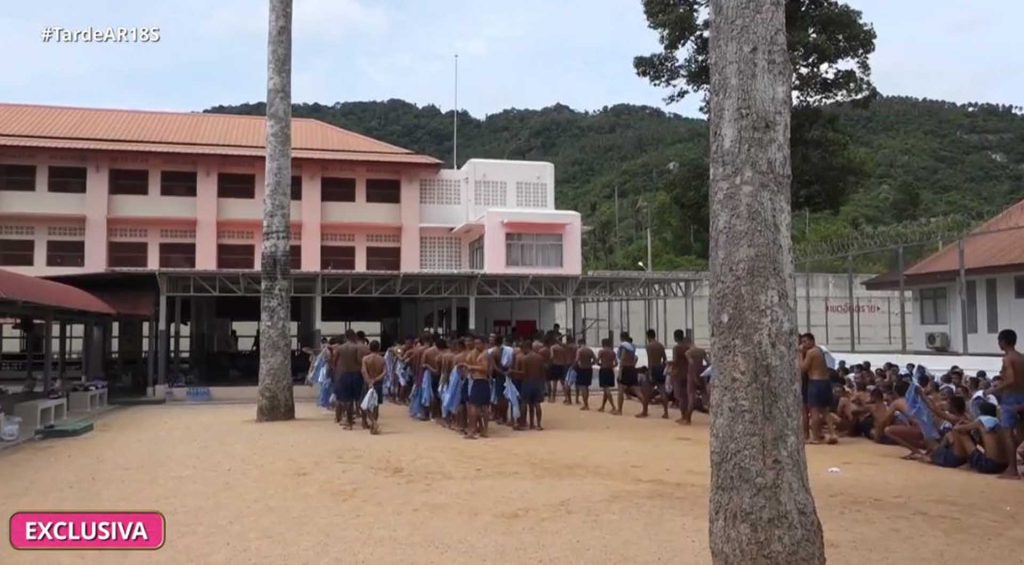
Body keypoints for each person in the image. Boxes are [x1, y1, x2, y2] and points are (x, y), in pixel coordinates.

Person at [991, 329, 1024, 479]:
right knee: (1020, 433)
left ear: (1003, 341)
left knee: (1008, 434)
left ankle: (1012, 469)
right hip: (1022, 396)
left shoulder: (1008, 359)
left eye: (999, 341)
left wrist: (993, 389)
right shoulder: (1021, 357)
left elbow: (1011, 380)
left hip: (1010, 397)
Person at [945, 402, 1010, 475]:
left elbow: (957, 429)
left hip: (990, 465)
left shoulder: (982, 420)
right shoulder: (998, 422)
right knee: (981, 437)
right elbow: (977, 426)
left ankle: (965, 460)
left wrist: (959, 423)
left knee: (962, 434)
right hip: (1004, 465)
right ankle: (970, 462)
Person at [798, 333, 838, 444]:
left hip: (815, 383)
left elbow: (803, 368)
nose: (804, 344)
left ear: (812, 341)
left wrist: (800, 354)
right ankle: (833, 433)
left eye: (805, 342)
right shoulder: (819, 350)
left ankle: (815, 437)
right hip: (825, 382)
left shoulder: (811, 352)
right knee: (825, 410)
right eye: (802, 342)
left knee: (814, 410)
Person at [332, 329, 365, 430]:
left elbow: (334, 362)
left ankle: (349, 423)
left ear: (345, 337)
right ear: (354, 336)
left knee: (347, 401)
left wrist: (337, 371)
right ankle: (364, 422)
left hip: (344, 375)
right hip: (356, 374)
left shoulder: (340, 348)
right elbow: (360, 361)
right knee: (359, 399)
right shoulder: (356, 348)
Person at [461, 335, 491, 439]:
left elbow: (485, 368)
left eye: (478, 343)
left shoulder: (484, 355)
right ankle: (483, 430)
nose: (476, 345)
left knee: (475, 406)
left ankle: (473, 431)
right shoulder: (477, 354)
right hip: (479, 381)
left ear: (483, 343)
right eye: (475, 343)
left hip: (480, 381)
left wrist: (470, 367)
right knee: (482, 406)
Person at [514, 339, 548, 430]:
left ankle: (522, 423)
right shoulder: (540, 358)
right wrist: (543, 384)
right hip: (538, 383)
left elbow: (524, 373)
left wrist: (513, 371)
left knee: (524, 403)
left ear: (526, 348)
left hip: (527, 382)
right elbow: (543, 372)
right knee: (536, 403)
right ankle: (538, 424)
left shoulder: (525, 358)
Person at [638, 329, 668, 419]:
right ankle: (666, 412)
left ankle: (645, 411)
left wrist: (650, 373)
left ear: (648, 337)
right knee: (663, 391)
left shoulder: (649, 346)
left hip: (653, 368)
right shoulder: (660, 345)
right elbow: (665, 359)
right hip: (660, 368)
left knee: (646, 392)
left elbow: (650, 360)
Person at [360, 340, 385, 434]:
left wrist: (369, 381)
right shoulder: (382, 359)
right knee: (376, 405)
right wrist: (376, 379)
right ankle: (374, 423)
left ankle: (372, 422)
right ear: (378, 348)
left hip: (368, 383)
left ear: (370, 347)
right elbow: (384, 372)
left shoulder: (365, 359)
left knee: (363, 404)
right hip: (377, 384)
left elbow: (364, 371)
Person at [682, 339, 708, 424]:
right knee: (705, 396)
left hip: (692, 376)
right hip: (702, 374)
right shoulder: (701, 351)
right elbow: (709, 362)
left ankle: (688, 419)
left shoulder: (688, 353)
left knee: (691, 398)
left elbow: (691, 363)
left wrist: (694, 376)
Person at [615, 333, 639, 416]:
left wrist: (620, 371)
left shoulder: (624, 346)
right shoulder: (633, 347)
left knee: (620, 389)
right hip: (631, 368)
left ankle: (619, 410)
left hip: (625, 368)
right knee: (636, 389)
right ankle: (645, 408)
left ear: (622, 338)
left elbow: (622, 359)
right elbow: (635, 358)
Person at [670, 330, 690, 423]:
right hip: (687, 372)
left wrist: (669, 365)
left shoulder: (676, 348)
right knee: (686, 396)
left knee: (679, 396)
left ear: (675, 337)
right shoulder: (688, 347)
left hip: (678, 373)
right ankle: (687, 416)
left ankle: (683, 416)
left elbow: (675, 361)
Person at [574, 337, 595, 411]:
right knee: (586, 386)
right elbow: (595, 360)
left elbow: (577, 360)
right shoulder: (589, 350)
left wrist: (577, 365)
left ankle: (586, 404)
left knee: (583, 387)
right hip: (589, 369)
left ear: (579, 343)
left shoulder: (579, 350)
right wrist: (590, 364)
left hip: (581, 369)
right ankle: (586, 403)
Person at [597, 338, 618, 412]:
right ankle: (603, 406)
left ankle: (613, 406)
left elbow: (597, 361)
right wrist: (611, 366)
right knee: (606, 389)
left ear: (603, 344)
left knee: (606, 388)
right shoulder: (612, 352)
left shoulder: (601, 351)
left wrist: (600, 364)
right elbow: (616, 363)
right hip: (610, 370)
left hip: (603, 370)